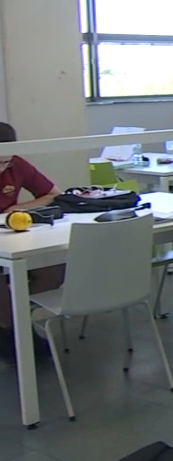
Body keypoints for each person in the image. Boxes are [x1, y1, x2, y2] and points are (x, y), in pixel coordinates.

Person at [0, 123, 64, 359]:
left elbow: (53, 193)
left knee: (55, 267)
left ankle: (16, 320)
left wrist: (18, 207)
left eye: (6, 162)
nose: (3, 167)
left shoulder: (17, 164)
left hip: (12, 235)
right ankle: (12, 331)